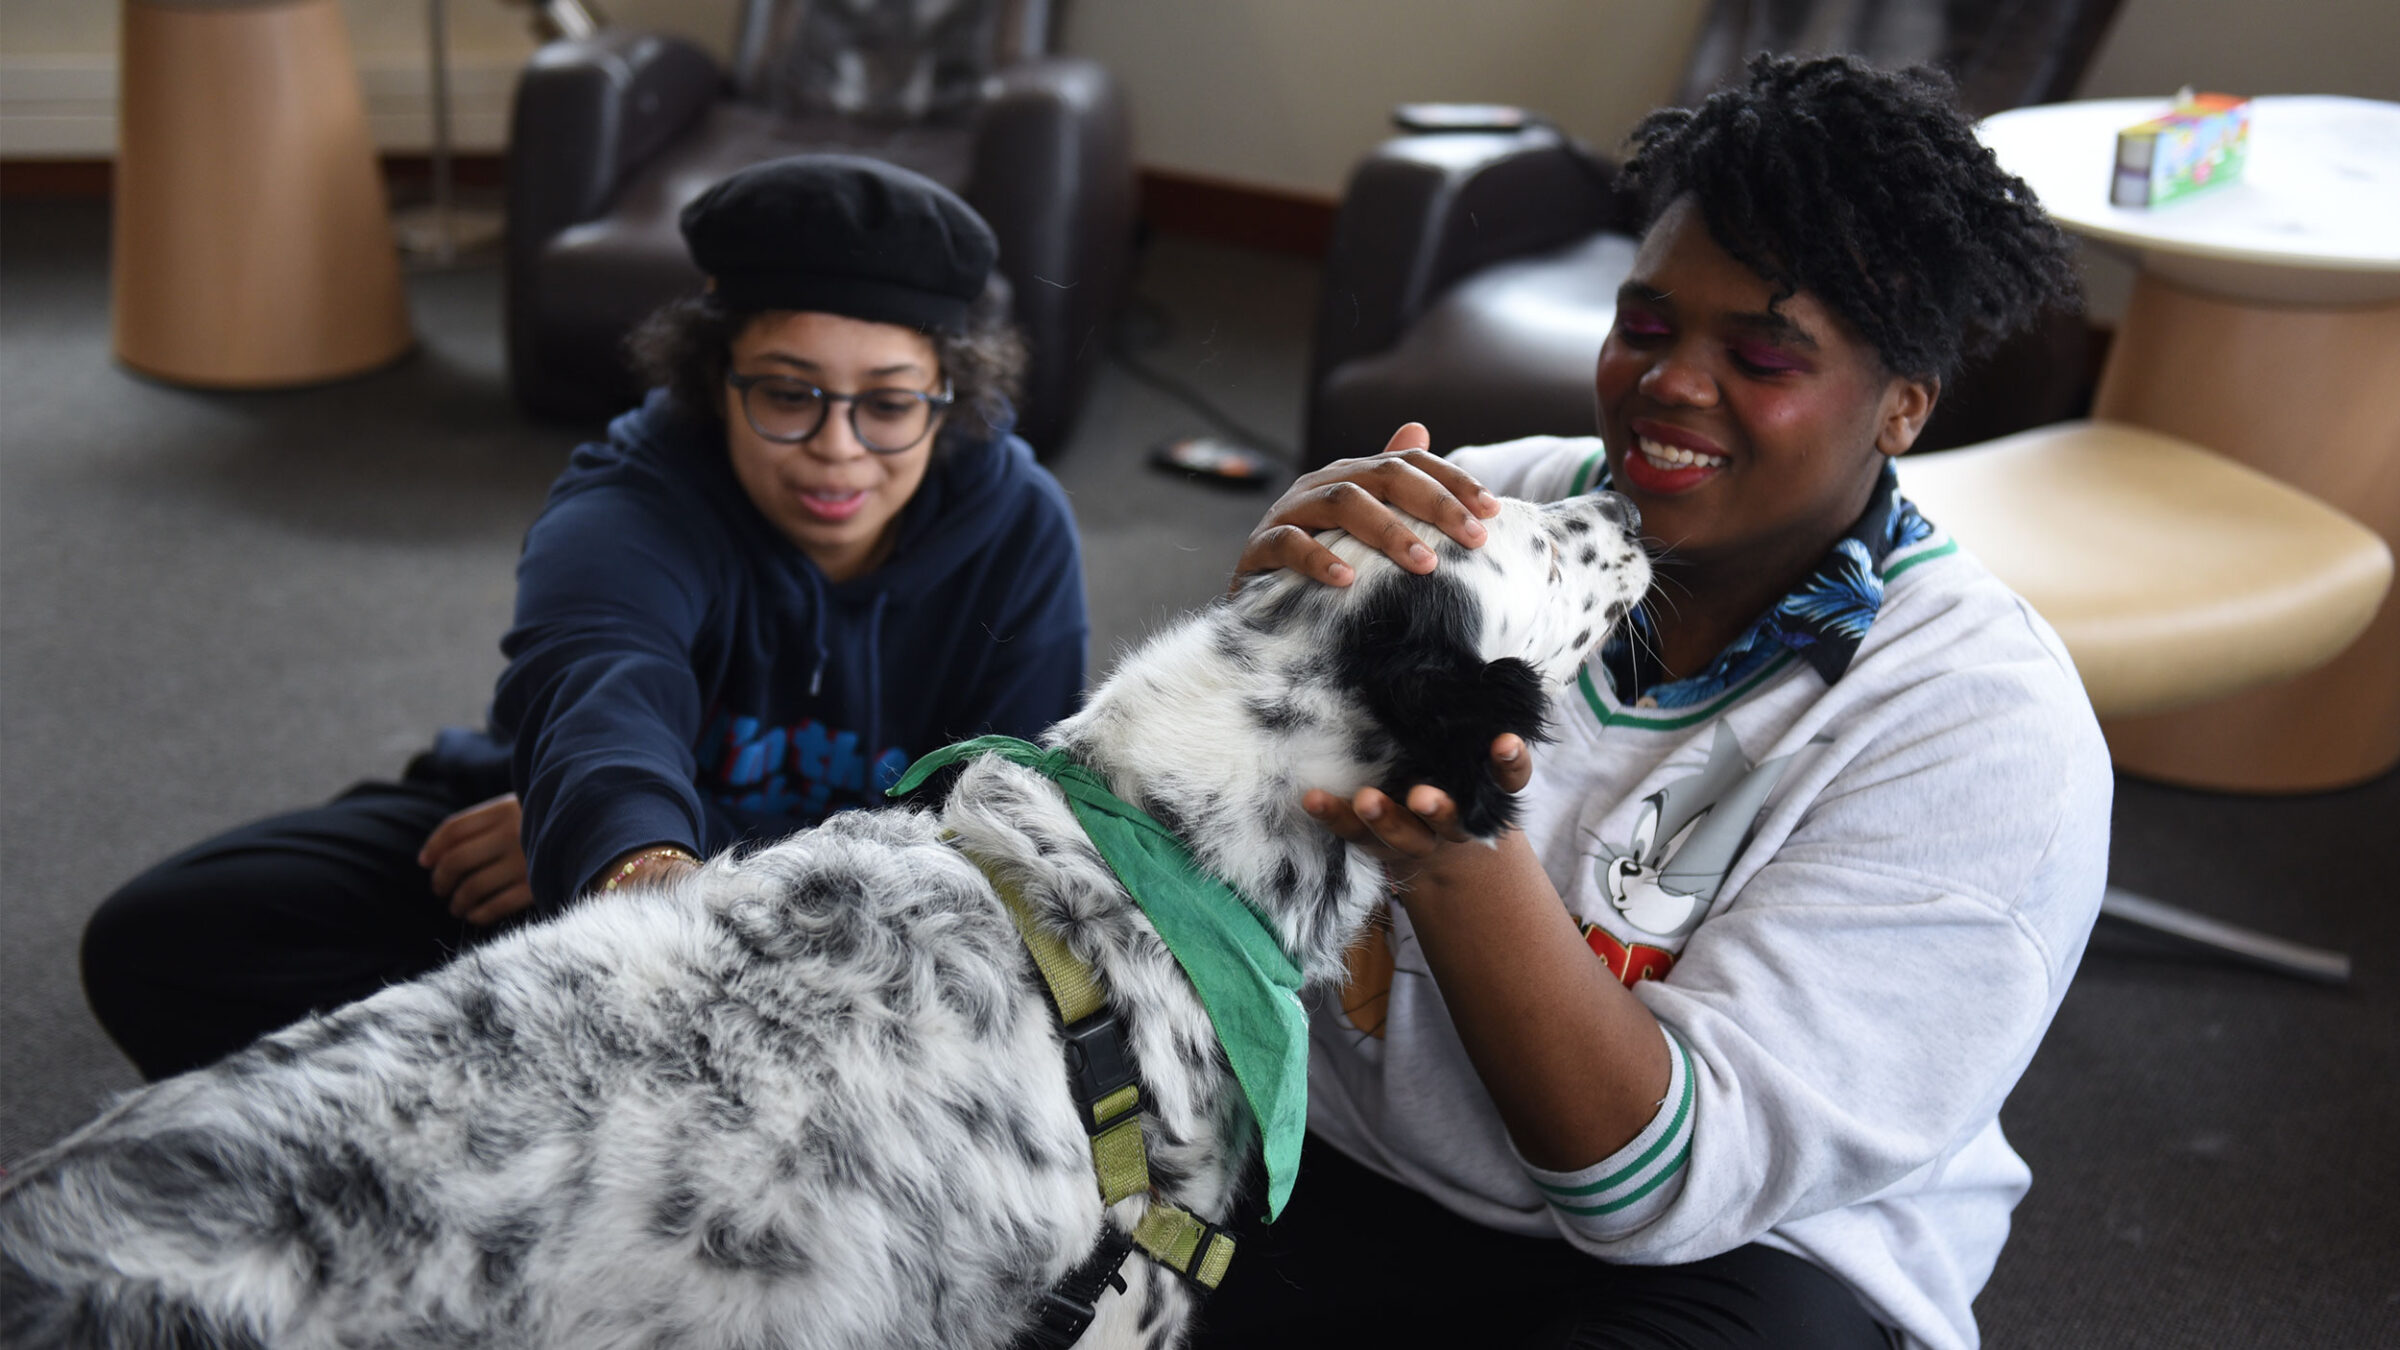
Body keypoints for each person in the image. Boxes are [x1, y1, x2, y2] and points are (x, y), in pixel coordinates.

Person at [1194, 57, 2105, 1350]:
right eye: (1647, 323)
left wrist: (1455, 856)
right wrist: (1249, 654)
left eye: (1763, 353)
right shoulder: (1471, 515)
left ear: (1902, 406)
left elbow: (1655, 1183)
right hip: (1342, 1153)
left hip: (1730, 1252)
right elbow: (1211, 904)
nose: (1670, 382)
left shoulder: (1977, 726)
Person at [82, 155, 1089, 1082]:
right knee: (162, 940)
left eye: (889, 403)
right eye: (787, 393)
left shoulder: (1020, 527)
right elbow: (596, 689)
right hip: (574, 849)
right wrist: (615, 853)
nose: (838, 448)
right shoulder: (628, 496)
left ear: (950, 393)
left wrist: (685, 847)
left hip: (841, 923)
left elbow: (992, 826)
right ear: (713, 372)